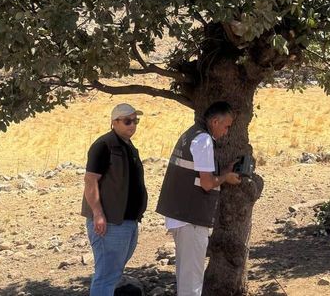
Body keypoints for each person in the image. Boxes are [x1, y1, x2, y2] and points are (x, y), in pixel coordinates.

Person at [156, 101, 241, 296]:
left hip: (179, 214)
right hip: (190, 218)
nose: (227, 132)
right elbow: (207, 183)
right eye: (226, 126)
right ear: (215, 121)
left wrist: (225, 170)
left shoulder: (190, 134)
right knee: (192, 281)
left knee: (185, 276)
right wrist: (226, 178)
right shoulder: (204, 140)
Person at [81, 103, 148, 296]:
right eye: (127, 121)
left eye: (135, 121)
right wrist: (98, 213)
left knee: (113, 273)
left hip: (127, 221)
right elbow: (90, 180)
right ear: (114, 122)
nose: (132, 125)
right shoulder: (104, 145)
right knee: (106, 275)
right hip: (110, 222)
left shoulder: (127, 146)